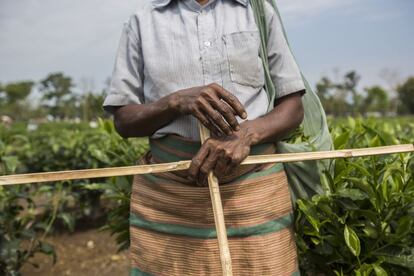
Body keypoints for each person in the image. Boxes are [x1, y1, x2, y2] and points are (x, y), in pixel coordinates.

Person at [103, 0, 306, 274]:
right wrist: (174, 102)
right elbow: (124, 120)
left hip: (254, 190)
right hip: (170, 196)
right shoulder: (142, 21)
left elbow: (292, 107)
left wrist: (244, 135)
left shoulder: (256, 11)